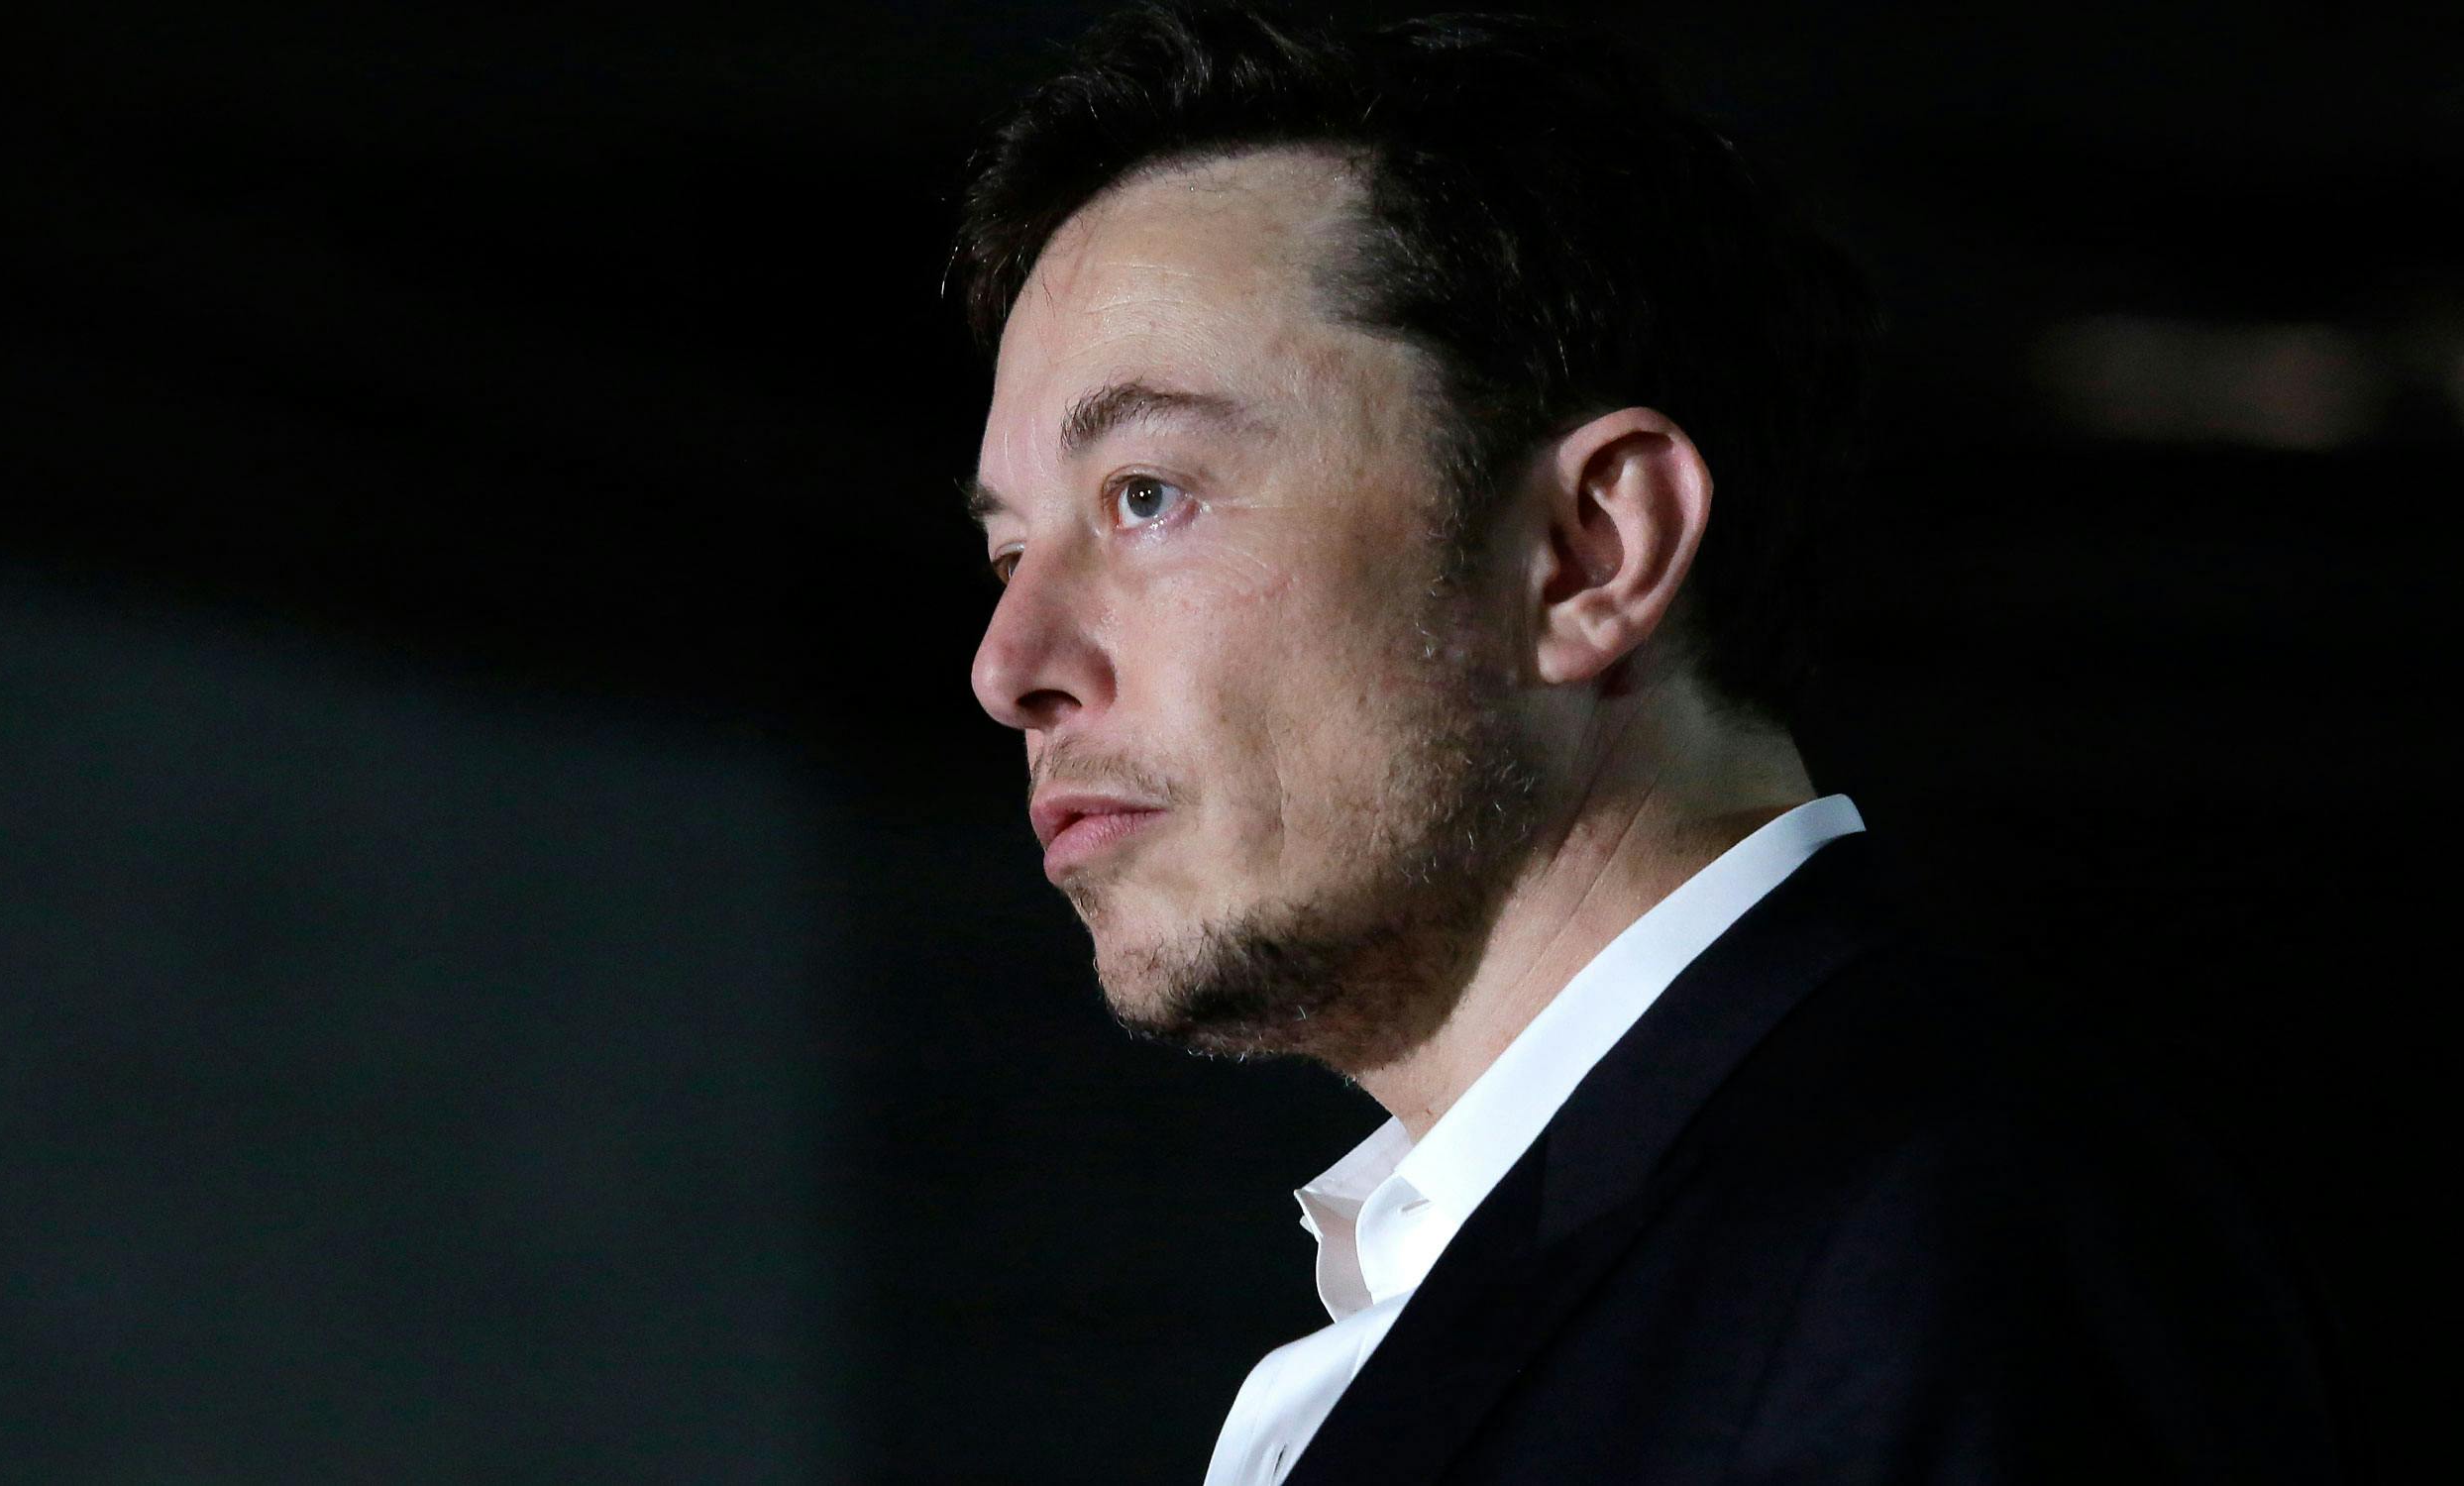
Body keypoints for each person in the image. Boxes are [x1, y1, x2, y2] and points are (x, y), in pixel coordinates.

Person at [951, 4, 2340, 1483]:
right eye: (1008, 552)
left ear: (1589, 548)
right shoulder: (1695, 1245)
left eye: (1148, 495)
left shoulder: (1915, 1250)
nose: (1008, 668)